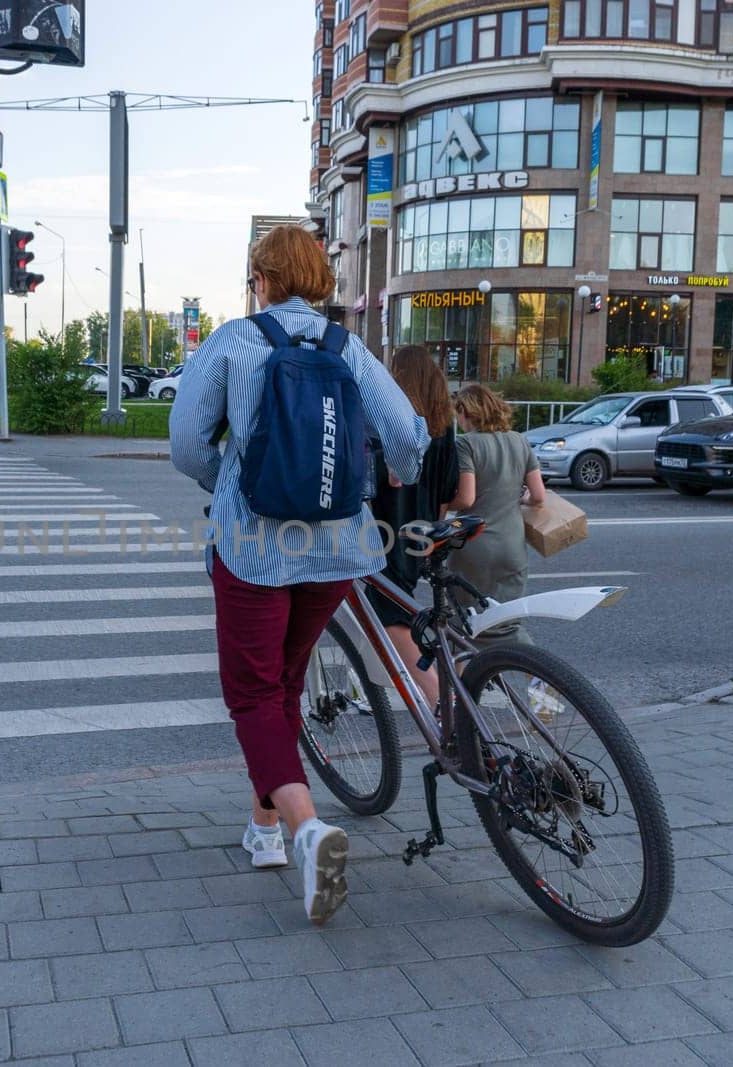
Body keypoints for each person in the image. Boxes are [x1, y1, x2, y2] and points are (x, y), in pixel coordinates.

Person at [171, 225, 428, 925]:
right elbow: (407, 437)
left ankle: (309, 828)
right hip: (337, 550)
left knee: (253, 693)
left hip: (253, 544)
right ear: (319, 279)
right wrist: (386, 479)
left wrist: (226, 482)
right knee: (284, 681)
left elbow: (187, 443)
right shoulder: (350, 349)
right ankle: (264, 833)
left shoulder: (235, 340)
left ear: (262, 277)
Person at [365, 346, 463, 709]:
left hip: (388, 532)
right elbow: (449, 488)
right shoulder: (443, 428)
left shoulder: (392, 425)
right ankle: (442, 691)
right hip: (424, 532)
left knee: (390, 616)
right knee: (401, 609)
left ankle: (441, 701)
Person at [451, 383, 546, 644]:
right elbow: (538, 496)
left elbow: (467, 498)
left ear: (467, 411)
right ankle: (538, 675)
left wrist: (443, 504)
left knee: (464, 625)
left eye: (458, 413)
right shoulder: (519, 440)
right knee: (508, 623)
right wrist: (521, 497)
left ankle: (460, 683)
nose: (458, 420)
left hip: (473, 546)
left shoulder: (465, 445)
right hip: (512, 546)